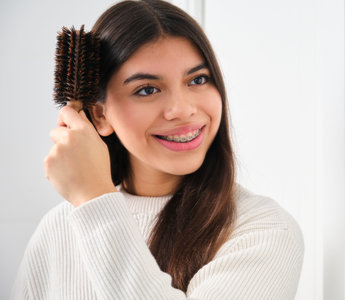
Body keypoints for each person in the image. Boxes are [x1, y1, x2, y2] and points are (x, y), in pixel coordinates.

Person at [11, 0, 304, 299]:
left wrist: (95, 200)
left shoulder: (263, 229)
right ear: (99, 115)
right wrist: (92, 204)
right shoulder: (57, 229)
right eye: (147, 90)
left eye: (198, 79)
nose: (182, 110)